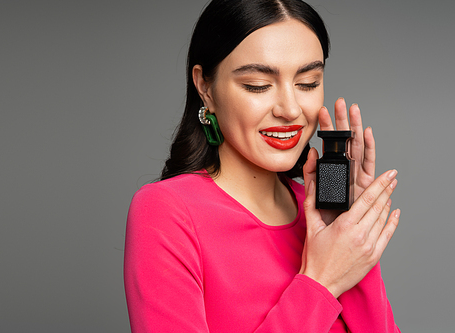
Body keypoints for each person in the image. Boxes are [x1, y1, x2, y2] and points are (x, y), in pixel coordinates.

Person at [124, 0, 401, 331]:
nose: (290, 109)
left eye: (308, 82)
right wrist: (321, 282)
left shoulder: (317, 208)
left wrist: (352, 237)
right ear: (205, 88)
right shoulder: (167, 211)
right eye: (258, 85)